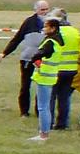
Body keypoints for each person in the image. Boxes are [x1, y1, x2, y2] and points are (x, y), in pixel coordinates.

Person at [0, 0, 48, 116]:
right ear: (36, 10)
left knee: (42, 86)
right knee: (25, 86)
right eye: (42, 9)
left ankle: (39, 110)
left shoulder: (51, 23)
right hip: (28, 59)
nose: (44, 12)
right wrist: (4, 53)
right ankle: (24, 111)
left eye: (46, 9)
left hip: (44, 61)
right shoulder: (29, 22)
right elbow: (17, 38)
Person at [27, 11, 72, 142]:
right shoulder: (58, 40)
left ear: (53, 28)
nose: (44, 29)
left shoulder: (50, 42)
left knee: (43, 107)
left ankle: (43, 134)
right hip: (50, 76)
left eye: (46, 26)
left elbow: (37, 55)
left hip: (45, 77)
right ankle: (44, 133)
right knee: (45, 105)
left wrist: (35, 61)